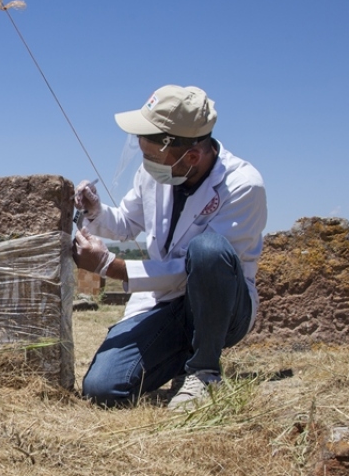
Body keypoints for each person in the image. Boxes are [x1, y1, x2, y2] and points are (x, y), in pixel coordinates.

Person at [72, 85, 266, 410]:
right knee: (102, 388)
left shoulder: (243, 185)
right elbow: (126, 223)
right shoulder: (156, 171)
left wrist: (110, 267)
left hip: (224, 308)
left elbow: (197, 271)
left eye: (150, 156)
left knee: (207, 250)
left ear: (191, 157)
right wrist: (96, 211)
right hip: (165, 304)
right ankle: (182, 359)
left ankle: (204, 371)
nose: (145, 163)